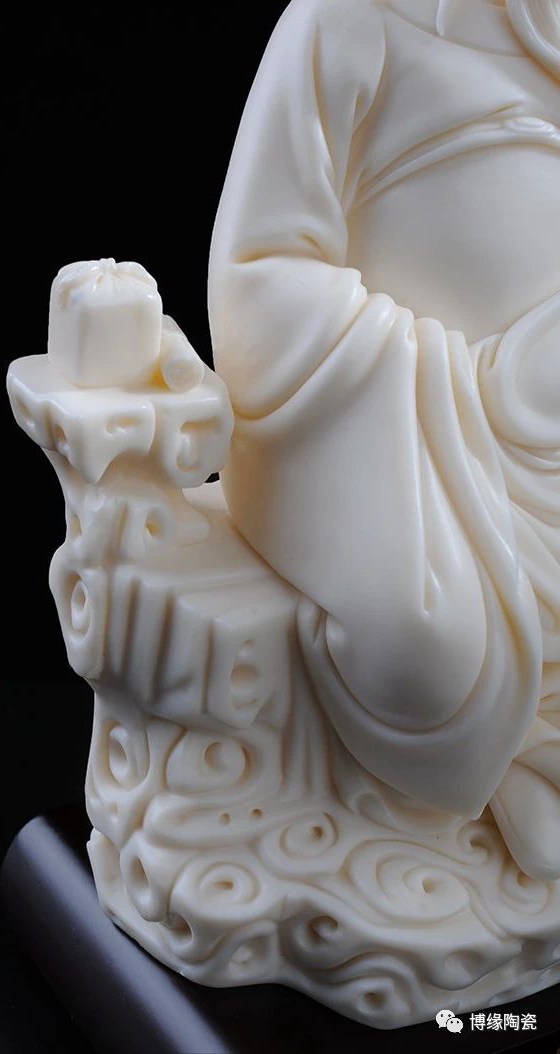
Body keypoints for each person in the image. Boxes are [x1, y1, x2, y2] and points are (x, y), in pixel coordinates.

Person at [209, 0, 560, 878]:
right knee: (428, 647)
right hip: (396, 424)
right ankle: (511, 760)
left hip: (545, 392)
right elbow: (255, 270)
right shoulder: (342, 23)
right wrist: (436, 378)